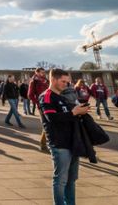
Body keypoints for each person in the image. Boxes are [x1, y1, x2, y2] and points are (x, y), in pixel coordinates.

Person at [39, 68, 90, 205]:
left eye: (68, 82)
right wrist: (74, 112)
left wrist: (80, 112)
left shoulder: (63, 96)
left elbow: (69, 116)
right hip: (59, 143)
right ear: (53, 79)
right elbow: (52, 118)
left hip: (72, 142)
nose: (66, 84)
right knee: (61, 180)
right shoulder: (47, 96)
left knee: (71, 179)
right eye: (63, 81)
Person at [28, 67, 49, 151]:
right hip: (41, 105)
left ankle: (46, 143)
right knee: (46, 124)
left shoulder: (45, 80)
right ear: (36, 72)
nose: (43, 73)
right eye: (41, 72)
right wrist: (38, 102)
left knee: (49, 123)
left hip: (49, 103)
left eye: (44, 72)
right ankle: (43, 144)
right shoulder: (34, 81)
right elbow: (30, 95)